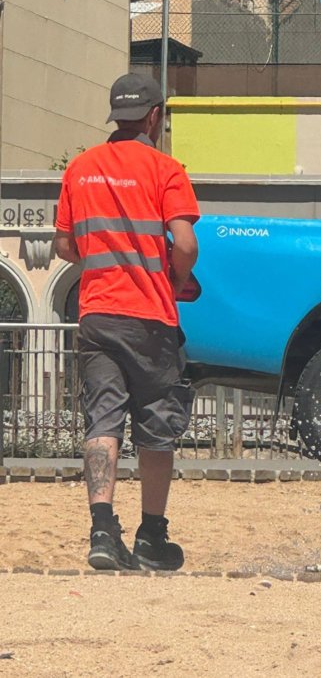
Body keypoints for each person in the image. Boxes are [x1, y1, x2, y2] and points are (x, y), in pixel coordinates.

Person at [54, 73, 199, 571]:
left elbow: (65, 245)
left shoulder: (81, 168)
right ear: (155, 116)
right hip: (150, 318)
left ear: (117, 116)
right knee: (157, 428)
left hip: (97, 314)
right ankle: (151, 538)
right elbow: (185, 245)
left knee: (103, 420)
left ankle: (101, 530)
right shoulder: (167, 170)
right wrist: (174, 281)